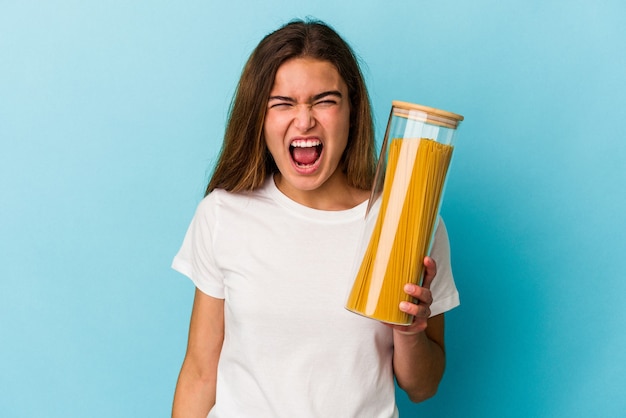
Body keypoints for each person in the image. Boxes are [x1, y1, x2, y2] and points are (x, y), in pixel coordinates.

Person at [171, 18, 460, 418]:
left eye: (324, 101)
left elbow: (423, 387)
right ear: (259, 118)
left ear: (351, 112)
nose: (304, 120)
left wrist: (410, 333)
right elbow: (201, 373)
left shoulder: (407, 226)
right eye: (282, 103)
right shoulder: (223, 214)